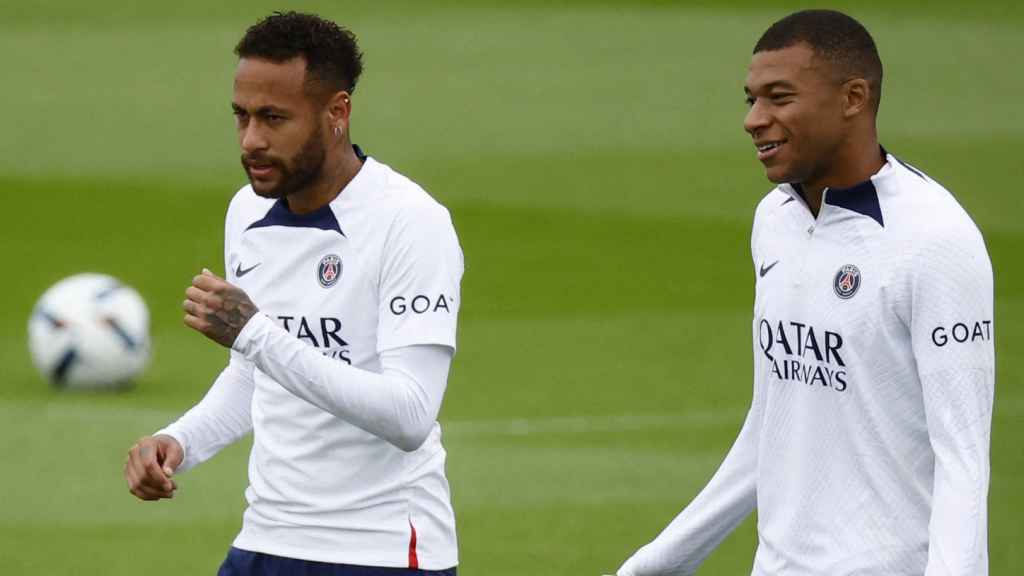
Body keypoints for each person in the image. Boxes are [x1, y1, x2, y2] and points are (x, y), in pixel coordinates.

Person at [614, 9, 994, 576]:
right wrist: (655, 564)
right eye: (750, 100)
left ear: (853, 98)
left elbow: (963, 461)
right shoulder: (775, 220)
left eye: (779, 97)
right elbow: (772, 422)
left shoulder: (937, 240)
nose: (754, 119)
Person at [123, 12, 463, 575]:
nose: (252, 140)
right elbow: (255, 375)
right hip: (266, 540)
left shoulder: (410, 223)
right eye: (242, 116)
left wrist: (256, 332)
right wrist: (179, 441)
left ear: (337, 112)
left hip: (379, 552)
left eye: (274, 118)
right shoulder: (248, 211)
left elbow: (410, 416)